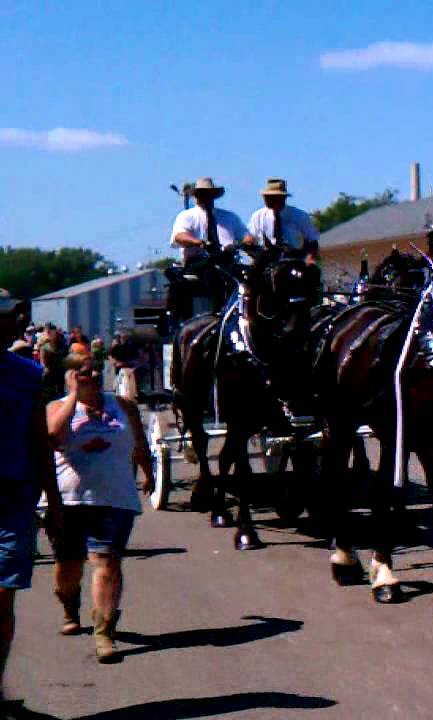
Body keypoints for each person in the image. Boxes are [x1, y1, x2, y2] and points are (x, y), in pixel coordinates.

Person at [45, 353, 154, 663]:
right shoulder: (55, 407)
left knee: (106, 562)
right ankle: (69, 606)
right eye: (80, 371)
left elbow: (139, 444)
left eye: (92, 369)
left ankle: (104, 633)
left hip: (114, 497)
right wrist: (74, 399)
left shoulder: (123, 407)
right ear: (68, 377)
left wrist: (148, 473)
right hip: (69, 500)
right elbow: (52, 436)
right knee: (69, 566)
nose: (89, 374)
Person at [0, 291, 62, 712]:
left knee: (2, 599)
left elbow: (40, 441)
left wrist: (55, 503)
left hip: (11, 498)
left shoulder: (27, 374)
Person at [169, 177, 248, 321]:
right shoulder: (187, 216)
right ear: (196, 196)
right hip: (199, 261)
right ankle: (218, 312)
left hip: (227, 260)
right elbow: (179, 236)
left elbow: (246, 236)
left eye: (209, 193)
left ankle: (248, 314)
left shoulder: (229, 217)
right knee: (213, 271)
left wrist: (245, 243)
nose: (206, 197)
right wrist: (200, 242)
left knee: (248, 275)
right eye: (202, 193)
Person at [245, 178, 320, 265]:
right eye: (266, 196)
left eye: (273, 197)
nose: (267, 199)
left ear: (283, 198)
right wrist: (249, 245)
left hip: (295, 260)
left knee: (313, 273)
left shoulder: (300, 216)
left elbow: (313, 241)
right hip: (266, 260)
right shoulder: (258, 216)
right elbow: (249, 241)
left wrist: (309, 259)